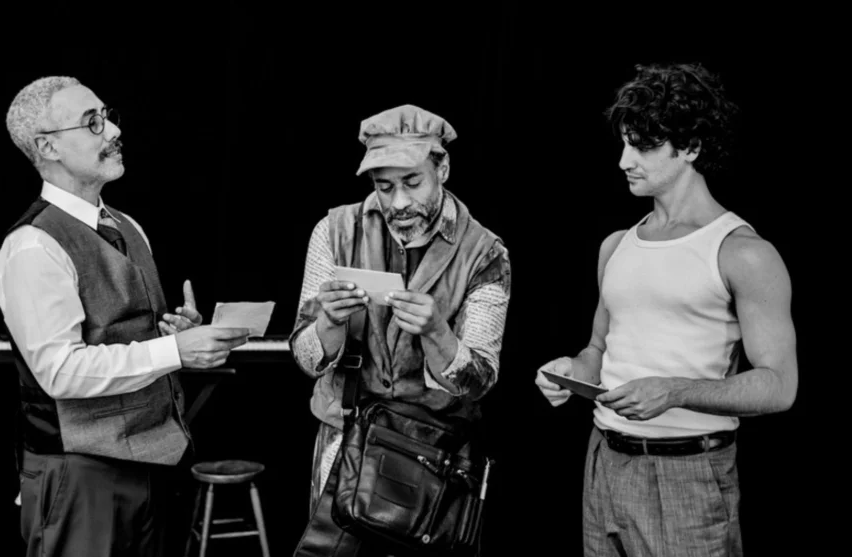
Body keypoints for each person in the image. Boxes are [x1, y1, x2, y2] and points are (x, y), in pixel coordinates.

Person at [534, 62, 798, 556]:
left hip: (688, 474)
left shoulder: (742, 253)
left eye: (643, 146)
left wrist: (674, 392)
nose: (624, 161)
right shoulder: (616, 245)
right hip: (604, 460)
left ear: (691, 147)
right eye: (624, 144)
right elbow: (597, 350)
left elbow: (780, 386)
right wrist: (570, 371)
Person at [0, 75, 251, 557]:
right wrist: (172, 350)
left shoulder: (128, 227)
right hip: (80, 476)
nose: (112, 130)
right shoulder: (32, 246)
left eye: (107, 116)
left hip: (154, 465)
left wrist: (175, 338)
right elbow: (60, 371)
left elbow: (128, 338)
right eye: (92, 122)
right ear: (48, 147)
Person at [289, 104, 512, 554]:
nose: (398, 203)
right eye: (384, 186)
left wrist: (437, 333)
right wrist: (329, 321)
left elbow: (480, 381)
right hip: (345, 444)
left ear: (442, 169)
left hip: (433, 458)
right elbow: (307, 359)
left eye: (412, 182)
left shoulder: (486, 253)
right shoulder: (333, 231)